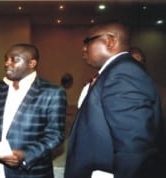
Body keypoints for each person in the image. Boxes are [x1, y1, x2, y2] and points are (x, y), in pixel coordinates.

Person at [64, 21, 165, 178]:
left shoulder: (123, 73)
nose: (83, 48)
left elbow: (134, 147)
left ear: (110, 41)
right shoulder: (113, 73)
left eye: (87, 42)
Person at [0, 43, 67, 178]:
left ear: (32, 63)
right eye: (6, 59)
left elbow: (55, 135)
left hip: (30, 172)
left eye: (14, 59)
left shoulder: (52, 93)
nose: (7, 63)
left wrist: (25, 154)